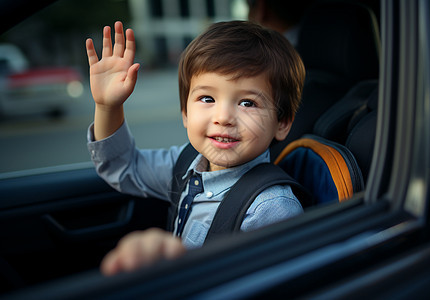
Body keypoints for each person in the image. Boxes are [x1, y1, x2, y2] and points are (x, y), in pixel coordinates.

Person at [86, 20, 305, 276]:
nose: (223, 117)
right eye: (207, 98)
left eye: (247, 103)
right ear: (185, 113)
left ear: (282, 122)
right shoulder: (184, 162)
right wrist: (107, 107)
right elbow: (123, 167)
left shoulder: (270, 208)